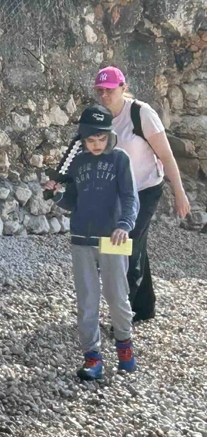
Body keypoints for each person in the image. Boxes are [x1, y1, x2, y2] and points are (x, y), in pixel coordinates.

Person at [91, 66, 192, 323]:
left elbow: (166, 155)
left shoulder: (140, 113)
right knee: (136, 245)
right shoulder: (100, 118)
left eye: (109, 90)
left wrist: (180, 194)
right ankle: (145, 308)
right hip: (119, 196)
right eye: (100, 91)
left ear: (123, 88)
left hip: (146, 189)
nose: (104, 95)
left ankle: (122, 316)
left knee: (126, 246)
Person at [55, 104, 139, 380]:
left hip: (113, 238)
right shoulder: (76, 162)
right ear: (82, 139)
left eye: (101, 139)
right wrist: (54, 195)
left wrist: (125, 225)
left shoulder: (120, 159)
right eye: (90, 140)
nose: (96, 145)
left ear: (110, 136)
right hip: (81, 238)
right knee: (87, 300)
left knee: (117, 296)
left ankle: (124, 347)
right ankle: (92, 358)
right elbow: (71, 201)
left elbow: (130, 197)